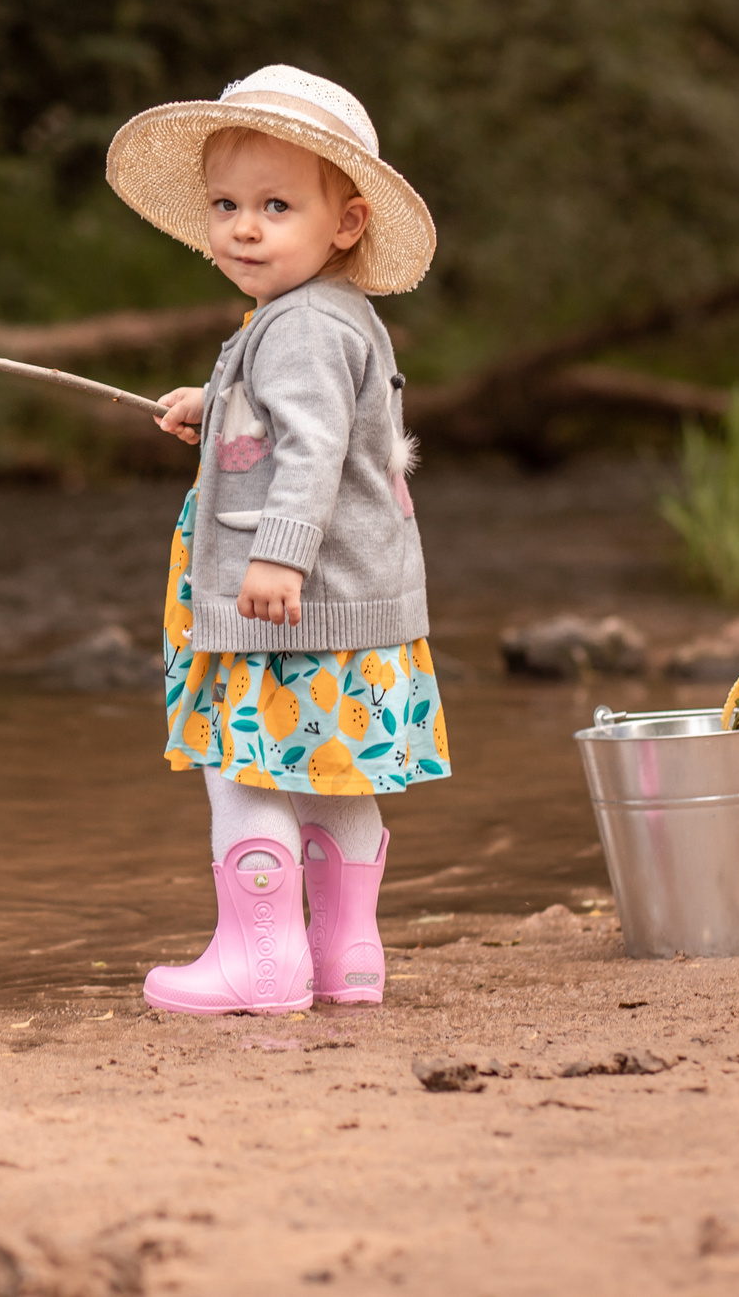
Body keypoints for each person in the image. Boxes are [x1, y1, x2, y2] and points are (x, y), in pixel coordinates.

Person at [105, 64, 444, 1015]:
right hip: (352, 602)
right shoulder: (331, 318)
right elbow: (300, 417)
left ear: (346, 223)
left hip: (280, 601)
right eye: (226, 203)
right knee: (327, 768)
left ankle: (261, 963)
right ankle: (347, 958)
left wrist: (276, 556)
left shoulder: (294, 328)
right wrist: (213, 407)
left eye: (276, 205)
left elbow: (315, 450)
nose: (243, 226)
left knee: (241, 761)